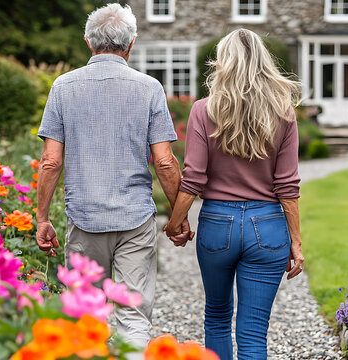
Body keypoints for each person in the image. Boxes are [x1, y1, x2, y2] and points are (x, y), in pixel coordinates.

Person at [35, 3, 193, 349]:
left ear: (89, 43)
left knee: (87, 317)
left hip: (84, 216)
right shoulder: (149, 88)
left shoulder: (63, 87)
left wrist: (42, 218)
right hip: (135, 217)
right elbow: (165, 163)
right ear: (131, 44)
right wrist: (178, 215)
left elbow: (50, 162)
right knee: (133, 316)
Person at [164, 28, 304, 360]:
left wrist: (175, 223)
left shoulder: (203, 109)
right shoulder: (284, 111)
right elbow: (287, 185)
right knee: (254, 332)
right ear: (263, 63)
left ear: (223, 63)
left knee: (216, 317)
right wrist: (295, 240)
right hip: (268, 228)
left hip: (217, 224)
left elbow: (194, 177)